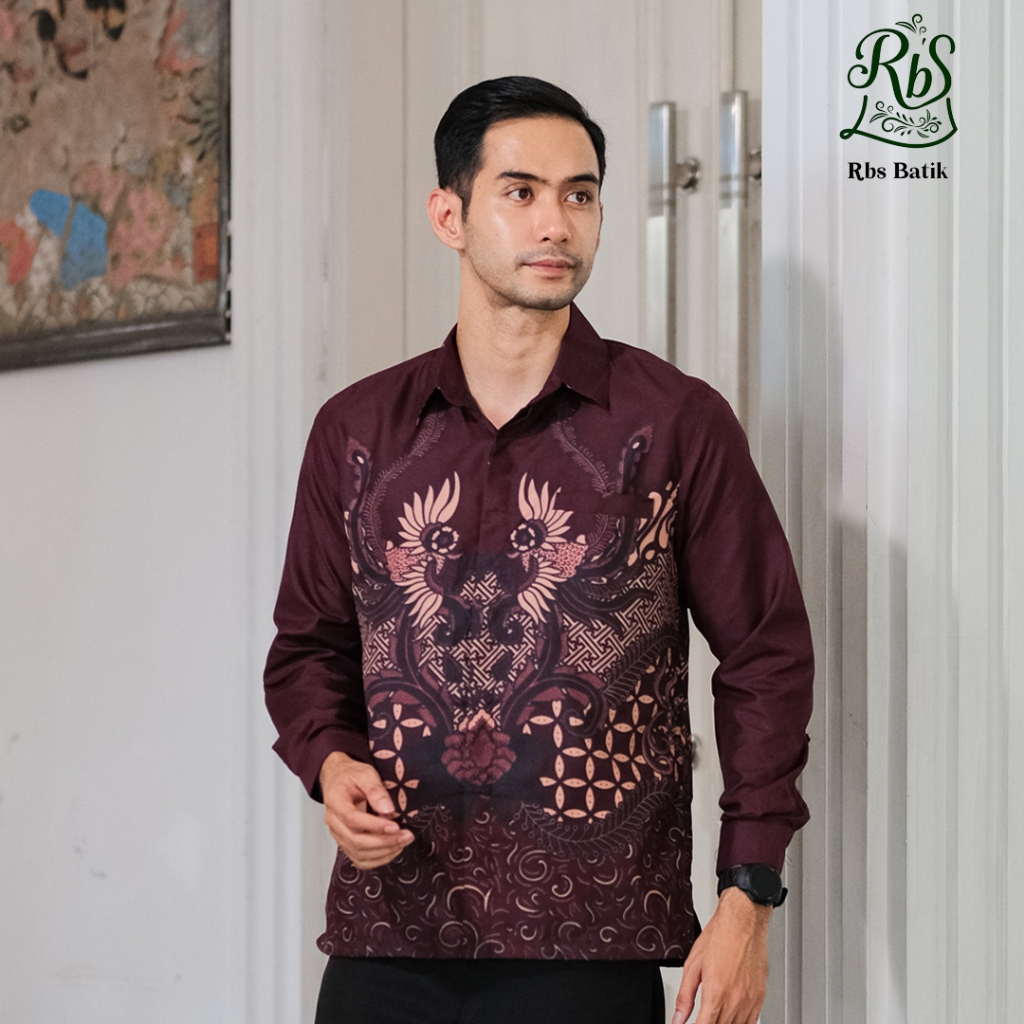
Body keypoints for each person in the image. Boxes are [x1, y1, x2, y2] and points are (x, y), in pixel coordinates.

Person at [265, 76, 813, 1024]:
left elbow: (766, 654)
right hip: (387, 940)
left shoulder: (674, 425)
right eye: (520, 192)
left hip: (589, 948)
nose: (556, 223)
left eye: (580, 194)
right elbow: (309, 646)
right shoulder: (356, 432)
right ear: (449, 215)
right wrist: (332, 764)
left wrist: (748, 896)